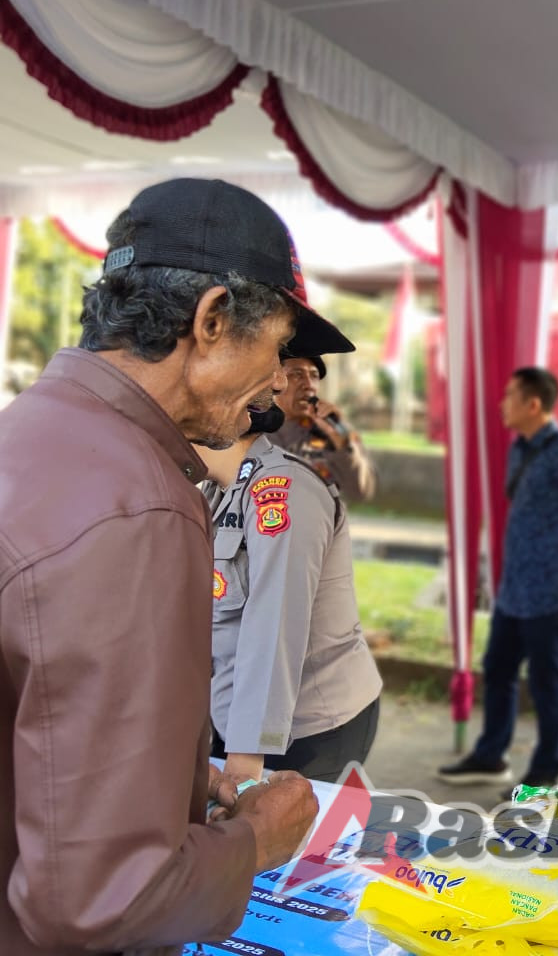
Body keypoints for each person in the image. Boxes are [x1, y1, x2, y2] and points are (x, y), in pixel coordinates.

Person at [0, 178, 352, 953]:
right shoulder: (137, 509)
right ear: (212, 319)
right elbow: (103, 900)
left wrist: (175, 785)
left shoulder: (30, 435)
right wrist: (253, 840)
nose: (277, 380)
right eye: (277, 346)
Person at [439, 367, 558, 788]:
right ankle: (490, 755)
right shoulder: (520, 449)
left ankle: (543, 777)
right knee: (497, 669)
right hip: (515, 590)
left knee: (546, 683)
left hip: (551, 591)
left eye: (511, 396)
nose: (502, 404)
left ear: (533, 404)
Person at [197, 398, 384, 784]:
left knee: (284, 840)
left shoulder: (282, 491)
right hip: (233, 720)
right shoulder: (214, 489)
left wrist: (246, 757)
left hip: (305, 731)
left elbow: (274, 629)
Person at [269, 352, 376, 501]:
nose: (309, 385)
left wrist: (342, 442)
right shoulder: (252, 430)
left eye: (314, 376)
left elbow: (359, 491)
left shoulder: (333, 430)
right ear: (276, 381)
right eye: (297, 375)